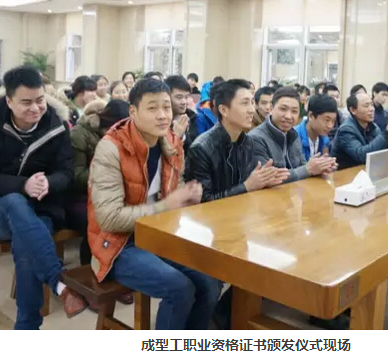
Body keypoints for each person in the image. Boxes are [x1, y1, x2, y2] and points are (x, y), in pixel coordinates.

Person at [88, 78, 222, 330]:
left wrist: (187, 199)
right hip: (118, 245)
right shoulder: (111, 148)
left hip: (159, 235)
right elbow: (108, 218)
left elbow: (175, 195)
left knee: (210, 281)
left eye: (166, 107)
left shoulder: (171, 143)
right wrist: (168, 205)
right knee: (179, 288)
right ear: (133, 111)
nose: (162, 115)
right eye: (152, 108)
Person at [0, 66, 85, 329]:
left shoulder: (57, 126)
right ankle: (58, 280)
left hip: (41, 209)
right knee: (15, 202)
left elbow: (66, 173)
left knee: (27, 248)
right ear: (9, 101)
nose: (35, 108)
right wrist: (23, 185)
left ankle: (27, 327)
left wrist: (48, 182)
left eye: (40, 100)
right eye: (26, 102)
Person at [184, 79, 289, 330]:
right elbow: (201, 205)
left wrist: (264, 181)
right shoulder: (201, 148)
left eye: (252, 102)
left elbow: (248, 188)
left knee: (276, 253)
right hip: (206, 232)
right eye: (245, 103)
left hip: (238, 224)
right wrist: (248, 186)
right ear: (223, 109)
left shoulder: (247, 142)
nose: (252, 109)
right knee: (210, 285)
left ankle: (228, 315)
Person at [70, 98, 130, 267]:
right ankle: (90, 265)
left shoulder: (124, 135)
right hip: (80, 195)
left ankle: (117, 263)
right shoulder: (79, 134)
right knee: (100, 220)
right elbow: (76, 175)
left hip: (112, 192)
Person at [249, 87, 337, 183]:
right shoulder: (256, 138)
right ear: (271, 109)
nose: (288, 116)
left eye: (294, 111)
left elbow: (303, 165)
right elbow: (268, 179)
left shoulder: (292, 134)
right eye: (283, 109)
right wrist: (307, 169)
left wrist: (320, 167)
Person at [332, 93, 388, 170]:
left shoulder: (373, 127)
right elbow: (362, 156)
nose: (372, 109)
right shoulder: (346, 130)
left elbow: (386, 155)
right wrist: (386, 135)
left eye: (372, 105)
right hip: (345, 174)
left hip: (365, 172)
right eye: (366, 106)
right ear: (353, 110)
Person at [295, 94, 337, 160]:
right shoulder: (293, 138)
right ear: (311, 116)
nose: (330, 126)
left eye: (333, 121)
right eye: (327, 120)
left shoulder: (325, 140)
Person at [164, 75, 199, 153]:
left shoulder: (192, 117)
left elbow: (193, 150)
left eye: (186, 97)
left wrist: (183, 136)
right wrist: (177, 135)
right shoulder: (160, 120)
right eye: (179, 97)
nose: (184, 102)